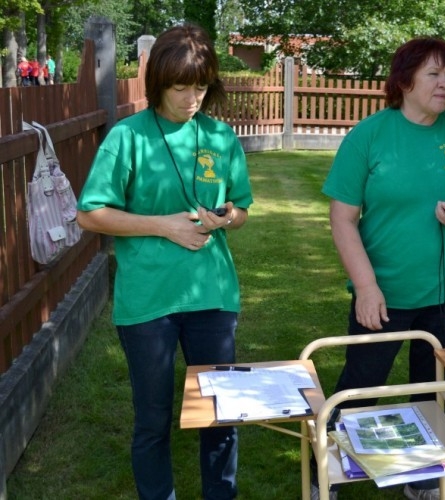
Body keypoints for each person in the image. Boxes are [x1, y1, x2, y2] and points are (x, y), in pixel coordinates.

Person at [316, 37, 445, 500]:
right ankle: (330, 471)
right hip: (383, 294)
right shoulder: (371, 135)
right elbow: (342, 218)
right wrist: (365, 286)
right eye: (434, 75)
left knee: (434, 390)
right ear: (404, 81)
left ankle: (422, 477)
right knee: (361, 386)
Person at [76, 23, 253, 500]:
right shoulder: (127, 137)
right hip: (149, 301)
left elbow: (242, 209)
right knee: (153, 419)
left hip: (213, 296)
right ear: (158, 83)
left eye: (200, 86)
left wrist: (227, 218)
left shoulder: (220, 136)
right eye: (180, 87)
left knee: (220, 413)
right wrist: (163, 225)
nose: (191, 98)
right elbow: (90, 214)